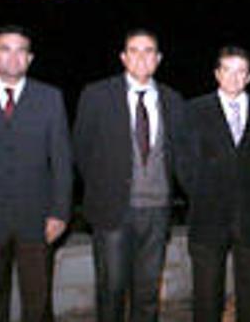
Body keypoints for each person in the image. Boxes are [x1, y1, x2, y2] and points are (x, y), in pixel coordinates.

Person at [73, 28, 192, 322]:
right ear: (123, 57)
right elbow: (81, 150)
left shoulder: (173, 100)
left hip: (158, 211)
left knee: (148, 293)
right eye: (135, 51)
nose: (142, 57)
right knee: (112, 289)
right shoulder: (97, 95)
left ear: (158, 59)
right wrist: (104, 189)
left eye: (149, 50)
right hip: (113, 210)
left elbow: (181, 154)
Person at [0, 25, 73, 322]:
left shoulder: (50, 98)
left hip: (38, 220)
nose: (13, 56)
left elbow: (61, 160)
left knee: (38, 304)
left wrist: (60, 212)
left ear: (30, 58)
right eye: (5, 49)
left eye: (21, 50)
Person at [186, 46, 250, 322]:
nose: (234, 77)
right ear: (217, 74)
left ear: (249, 77)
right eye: (228, 70)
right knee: (206, 296)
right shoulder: (194, 110)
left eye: (241, 71)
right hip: (208, 216)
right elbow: (183, 161)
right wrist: (202, 192)